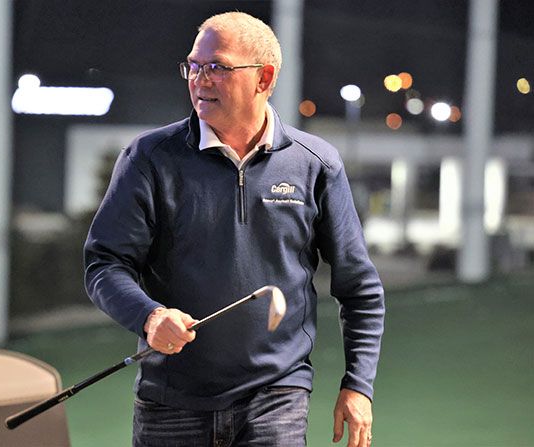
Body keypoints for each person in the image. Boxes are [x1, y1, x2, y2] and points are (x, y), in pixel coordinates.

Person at [84, 11, 385, 447]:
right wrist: (150, 316)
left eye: (217, 67)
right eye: (193, 66)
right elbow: (104, 265)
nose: (199, 80)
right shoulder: (149, 158)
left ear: (264, 78)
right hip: (170, 403)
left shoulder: (316, 164)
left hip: (276, 398)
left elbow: (359, 288)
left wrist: (358, 384)